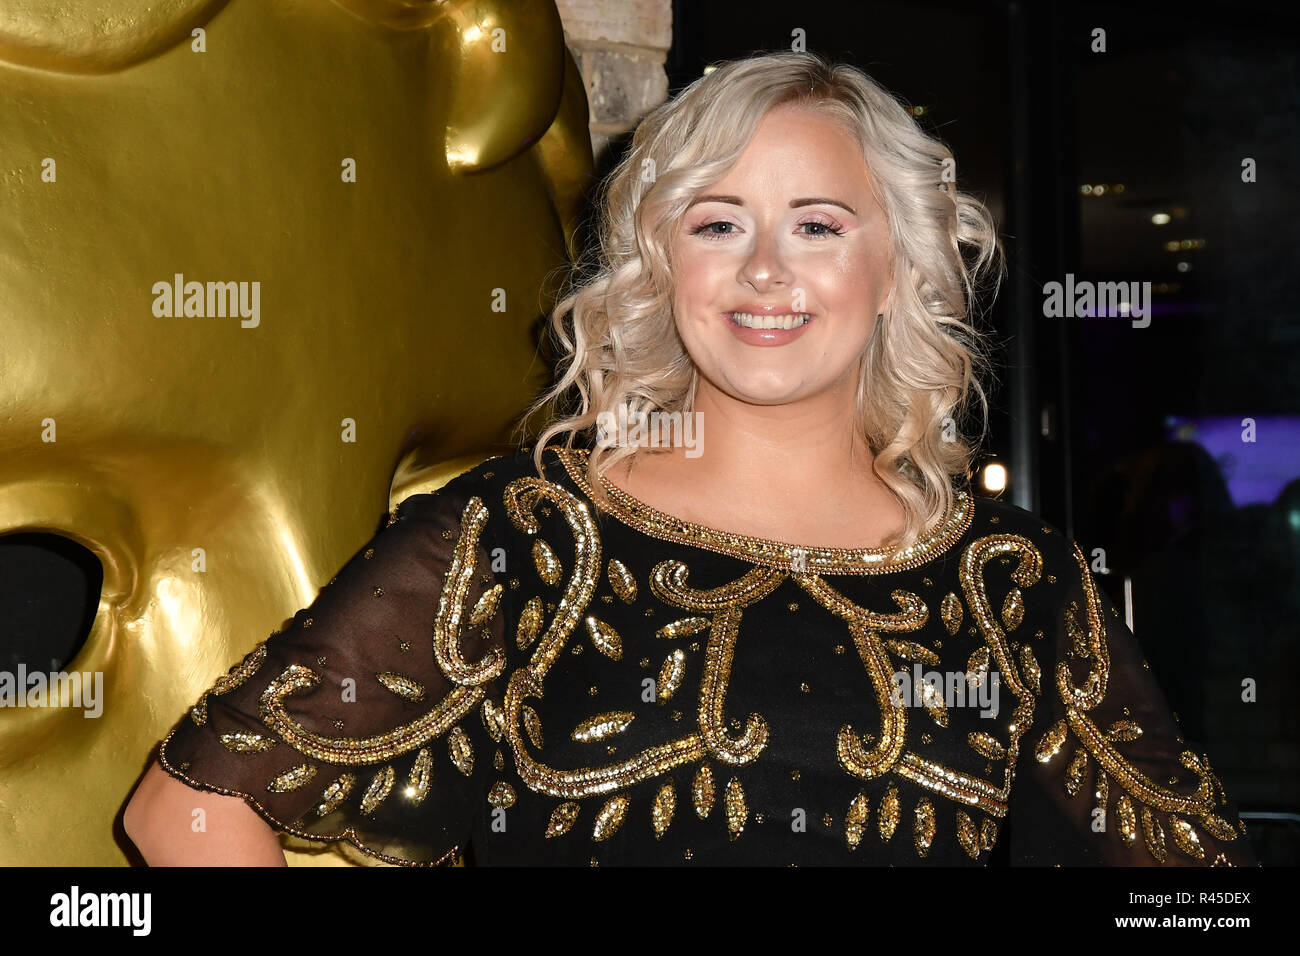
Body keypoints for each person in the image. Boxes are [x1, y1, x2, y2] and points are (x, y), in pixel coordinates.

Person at [123, 51, 1257, 867]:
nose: (766, 270)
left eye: (818, 224)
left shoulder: (1013, 583)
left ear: (899, 268)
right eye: (717, 223)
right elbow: (186, 812)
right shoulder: (529, 537)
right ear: (659, 265)